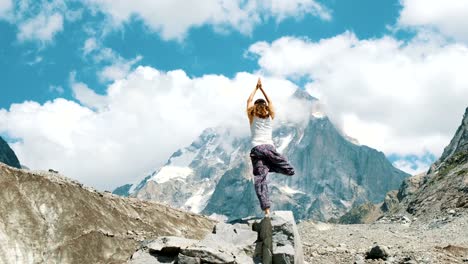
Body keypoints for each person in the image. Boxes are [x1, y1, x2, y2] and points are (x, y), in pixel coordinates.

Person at [246, 78, 295, 217]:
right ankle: (271, 166)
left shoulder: (251, 116)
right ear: (266, 107)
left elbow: (248, 101)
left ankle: (266, 211)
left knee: (260, 180)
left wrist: (256, 88)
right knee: (289, 170)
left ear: (254, 107)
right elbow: (271, 102)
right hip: (269, 148)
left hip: (256, 150)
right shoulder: (270, 116)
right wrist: (262, 89)